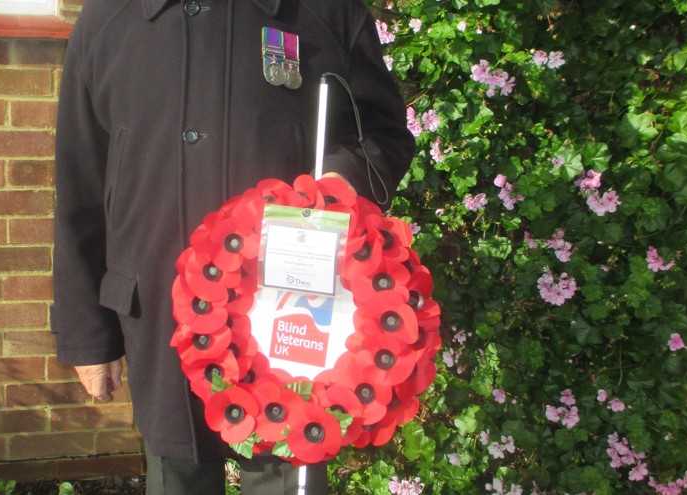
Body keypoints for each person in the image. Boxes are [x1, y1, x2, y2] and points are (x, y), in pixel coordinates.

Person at [51, 0, 414, 493]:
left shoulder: (325, 10)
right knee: (176, 473)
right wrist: (87, 334)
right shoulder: (107, 20)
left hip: (291, 318)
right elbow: (80, 183)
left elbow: (382, 131)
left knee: (285, 474)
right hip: (158, 312)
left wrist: (340, 183)